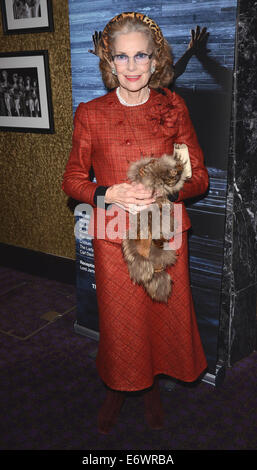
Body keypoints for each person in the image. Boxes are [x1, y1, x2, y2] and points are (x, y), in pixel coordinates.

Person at [62, 12, 209, 434]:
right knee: (122, 321)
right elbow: (72, 180)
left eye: (140, 55)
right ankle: (120, 386)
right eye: (121, 57)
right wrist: (109, 192)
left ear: (155, 58)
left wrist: (170, 189)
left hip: (164, 231)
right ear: (109, 61)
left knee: (163, 318)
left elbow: (199, 176)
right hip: (114, 237)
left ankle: (150, 389)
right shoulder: (90, 113)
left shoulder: (173, 107)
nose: (131, 67)